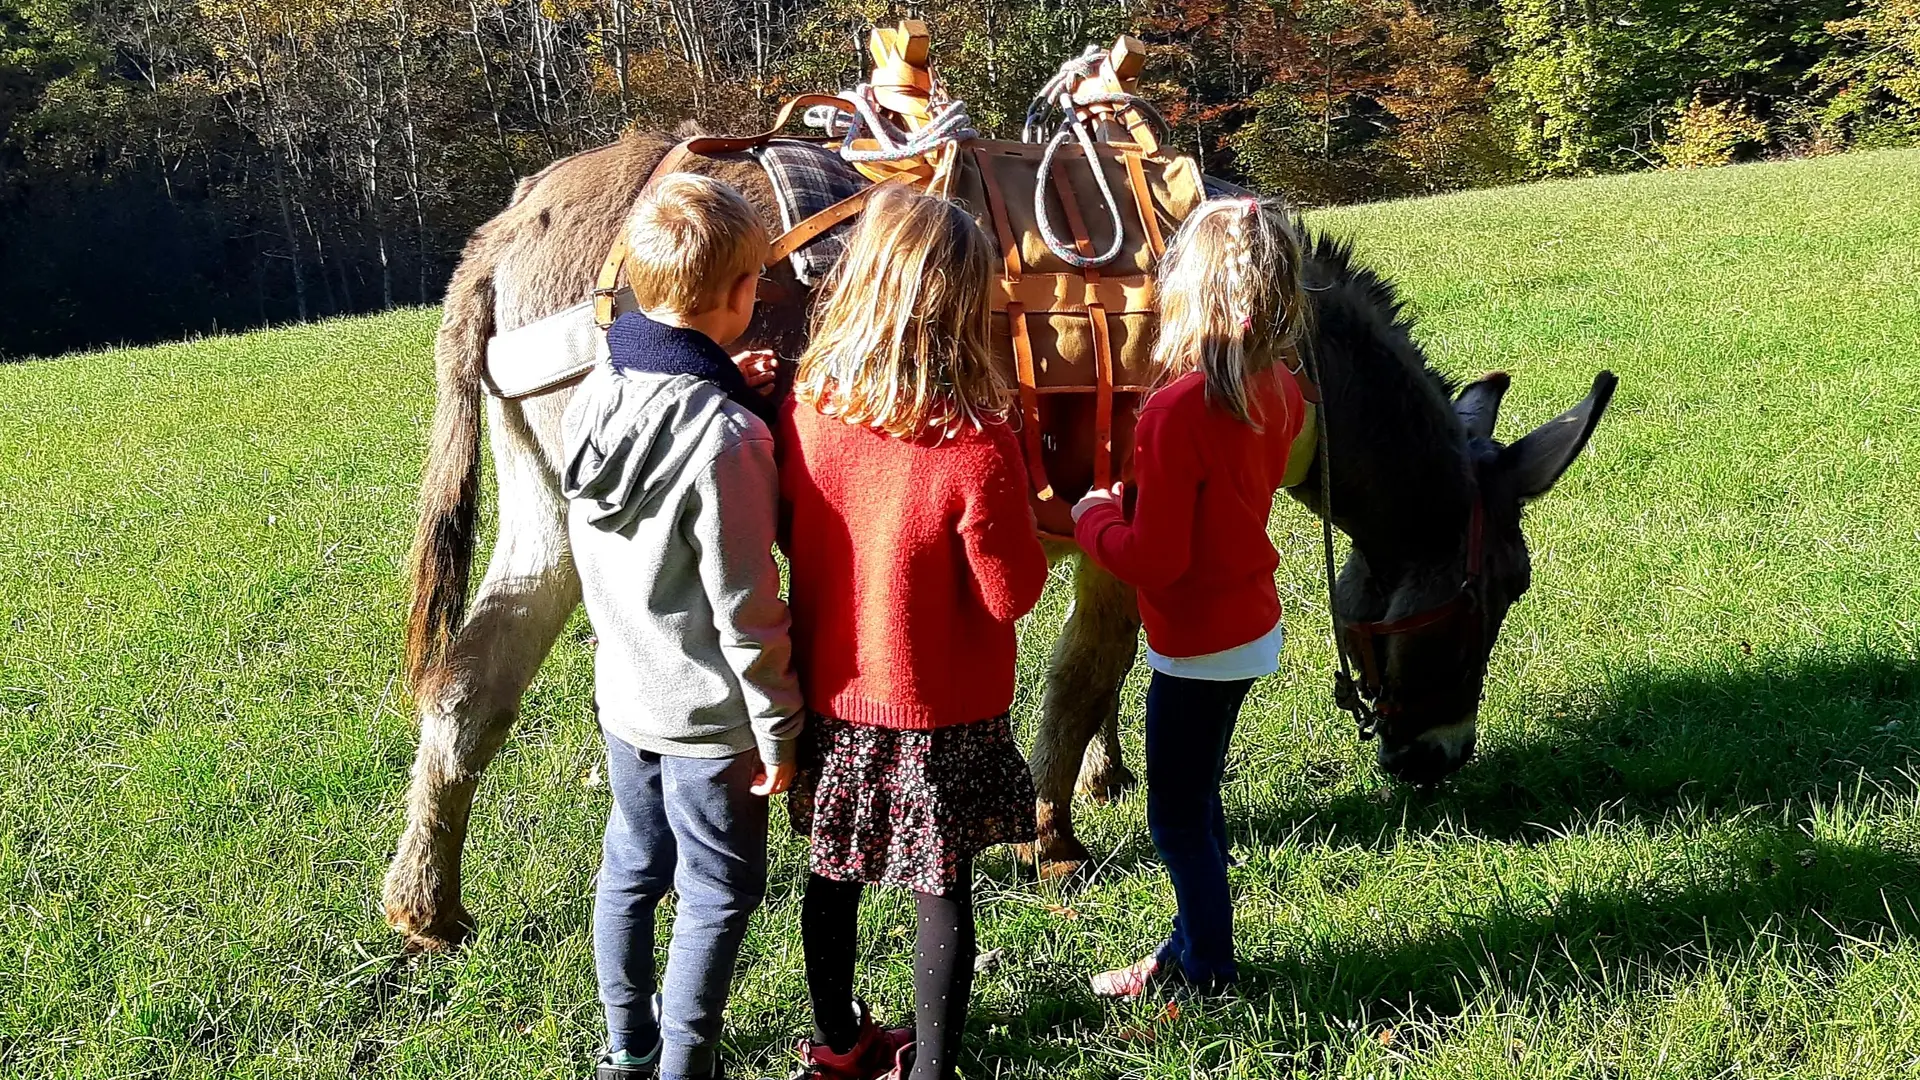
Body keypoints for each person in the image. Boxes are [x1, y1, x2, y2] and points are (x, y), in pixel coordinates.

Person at [777, 185, 1051, 1080]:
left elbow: (788, 529)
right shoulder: (980, 444)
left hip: (832, 696)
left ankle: (838, 1044)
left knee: (832, 872)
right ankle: (930, 1069)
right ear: (968, 308)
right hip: (941, 715)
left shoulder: (806, 412)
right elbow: (1012, 595)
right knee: (943, 891)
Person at [560, 172, 801, 1080]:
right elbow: (747, 610)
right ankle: (685, 1066)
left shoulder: (601, 380)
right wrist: (778, 731)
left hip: (624, 697)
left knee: (630, 869)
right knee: (717, 892)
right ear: (742, 295)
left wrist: (723, 382)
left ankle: (628, 1045)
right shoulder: (727, 440)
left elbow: (657, 413)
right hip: (709, 723)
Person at [1071, 196, 1312, 999]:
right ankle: (1189, 945)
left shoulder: (1176, 411)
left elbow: (1157, 561)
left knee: (1176, 822)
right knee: (1197, 798)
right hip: (1247, 624)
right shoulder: (1281, 389)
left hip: (1196, 643)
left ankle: (1206, 969)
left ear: (1192, 290)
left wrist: (1095, 517)